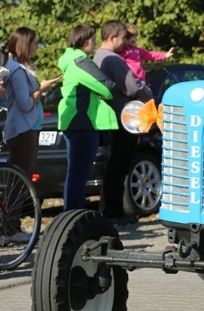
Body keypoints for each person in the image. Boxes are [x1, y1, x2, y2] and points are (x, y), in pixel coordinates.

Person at [94, 20, 152, 225]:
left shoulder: (98, 57)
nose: (125, 43)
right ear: (112, 37)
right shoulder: (113, 59)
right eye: (122, 38)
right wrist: (148, 94)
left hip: (110, 116)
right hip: (123, 116)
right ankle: (115, 212)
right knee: (120, 165)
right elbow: (132, 87)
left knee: (113, 165)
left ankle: (107, 209)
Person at [3, 27, 59, 237]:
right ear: (25, 45)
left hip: (28, 129)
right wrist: (41, 90)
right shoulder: (16, 71)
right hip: (22, 131)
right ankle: (10, 228)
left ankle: (11, 226)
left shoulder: (20, 69)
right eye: (35, 43)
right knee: (19, 180)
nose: (37, 46)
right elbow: (26, 104)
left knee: (21, 179)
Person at [58, 24, 118, 211]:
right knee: (79, 174)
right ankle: (73, 218)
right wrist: (101, 93)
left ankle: (72, 215)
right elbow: (108, 86)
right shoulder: (81, 62)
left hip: (76, 122)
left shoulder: (71, 61)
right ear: (85, 42)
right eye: (93, 40)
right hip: (82, 123)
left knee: (75, 173)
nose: (95, 43)